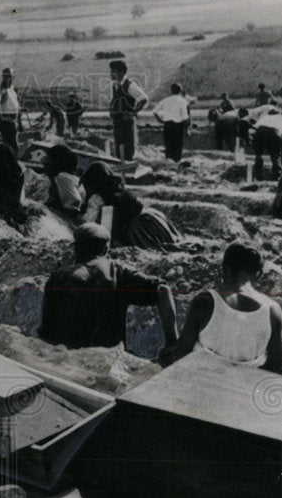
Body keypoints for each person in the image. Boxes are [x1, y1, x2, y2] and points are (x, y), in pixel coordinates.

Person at [38, 222, 177, 352]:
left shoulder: (57, 277)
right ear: (105, 249)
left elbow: (46, 333)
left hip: (68, 361)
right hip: (108, 359)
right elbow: (163, 289)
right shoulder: (118, 271)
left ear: (76, 248)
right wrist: (172, 343)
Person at [159, 242, 282, 371]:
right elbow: (276, 363)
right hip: (243, 388)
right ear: (258, 274)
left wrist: (167, 350)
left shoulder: (206, 301)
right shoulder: (273, 310)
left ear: (225, 269)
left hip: (201, 384)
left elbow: (181, 353)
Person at [80, 161, 180, 249]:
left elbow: (105, 237)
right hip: (152, 219)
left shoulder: (109, 203)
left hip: (143, 229)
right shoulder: (119, 192)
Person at [108, 59, 148, 161]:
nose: (111, 74)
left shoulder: (130, 85)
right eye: (111, 71)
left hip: (126, 122)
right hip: (118, 121)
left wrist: (133, 112)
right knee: (119, 148)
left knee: (128, 149)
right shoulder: (115, 85)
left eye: (113, 71)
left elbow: (144, 99)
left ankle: (128, 169)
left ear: (121, 72)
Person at [249, 107, 282, 179]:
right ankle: (277, 174)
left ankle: (257, 172)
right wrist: (281, 142)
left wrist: (255, 141)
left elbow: (253, 129)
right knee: (275, 155)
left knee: (258, 155)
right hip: (274, 133)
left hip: (260, 131)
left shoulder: (265, 117)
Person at [42, 144, 83, 221]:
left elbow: (74, 203)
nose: (45, 163)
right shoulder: (70, 177)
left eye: (48, 159)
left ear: (56, 162)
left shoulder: (63, 177)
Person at [152, 83, 190, 162]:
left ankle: (169, 162)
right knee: (177, 146)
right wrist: (186, 129)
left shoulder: (166, 100)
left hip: (168, 125)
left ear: (171, 90)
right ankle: (176, 162)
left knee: (168, 145)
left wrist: (160, 120)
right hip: (178, 126)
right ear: (180, 91)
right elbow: (185, 117)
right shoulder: (182, 101)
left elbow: (155, 111)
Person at [0, 67, 20, 150]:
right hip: (6, 119)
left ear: (13, 77)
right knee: (10, 145)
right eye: (6, 76)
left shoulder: (12, 89)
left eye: (10, 76)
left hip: (14, 118)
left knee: (14, 143)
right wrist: (1, 117)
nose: (9, 78)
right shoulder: (0, 89)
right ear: (3, 77)